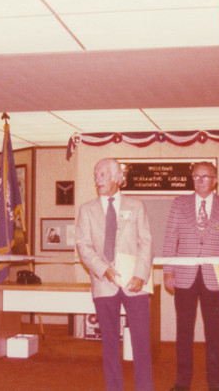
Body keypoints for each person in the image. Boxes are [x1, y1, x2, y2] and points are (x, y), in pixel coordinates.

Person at [163, 161, 219, 391]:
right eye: (196, 176)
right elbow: (170, 241)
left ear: (215, 179)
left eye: (205, 176)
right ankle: (182, 382)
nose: (200, 180)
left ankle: (216, 384)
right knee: (184, 331)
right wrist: (168, 270)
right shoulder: (179, 204)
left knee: (214, 332)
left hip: (215, 278)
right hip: (184, 276)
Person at [76, 158, 154, 391]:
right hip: (103, 283)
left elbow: (146, 243)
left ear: (118, 177)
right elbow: (83, 245)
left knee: (141, 342)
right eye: (95, 175)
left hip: (135, 284)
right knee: (109, 343)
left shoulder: (137, 206)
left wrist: (140, 274)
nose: (97, 179)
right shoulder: (86, 210)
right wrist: (103, 269)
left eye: (103, 174)